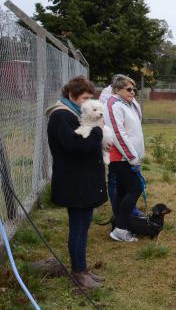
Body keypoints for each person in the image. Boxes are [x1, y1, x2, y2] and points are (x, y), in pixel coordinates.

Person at [45, 76, 107, 289]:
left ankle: (83, 269)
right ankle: (79, 273)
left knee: (83, 226)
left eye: (91, 98)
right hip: (75, 183)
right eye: (85, 98)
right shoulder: (62, 116)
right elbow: (77, 147)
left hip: (83, 181)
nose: (89, 103)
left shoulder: (75, 114)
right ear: (71, 95)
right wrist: (98, 129)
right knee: (78, 228)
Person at [103, 75, 145, 242]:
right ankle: (120, 229)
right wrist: (133, 158)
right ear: (117, 89)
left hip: (127, 157)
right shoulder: (113, 105)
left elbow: (134, 131)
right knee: (135, 188)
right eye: (128, 89)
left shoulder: (127, 104)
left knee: (122, 192)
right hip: (120, 158)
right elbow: (118, 134)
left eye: (134, 89)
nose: (132, 92)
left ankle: (120, 226)